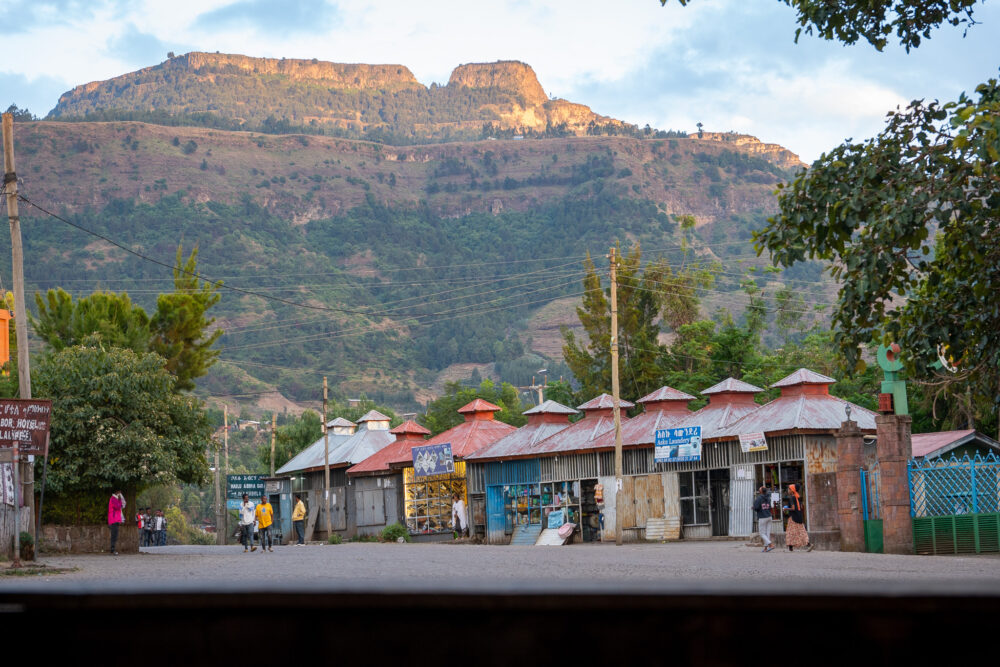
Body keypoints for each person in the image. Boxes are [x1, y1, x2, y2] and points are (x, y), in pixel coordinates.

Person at [783, 484, 813, 552]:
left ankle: (790, 547)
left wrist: (786, 509)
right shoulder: (797, 497)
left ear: (792, 490)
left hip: (793, 518)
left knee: (790, 532)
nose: (788, 490)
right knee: (801, 532)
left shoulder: (791, 498)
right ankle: (808, 544)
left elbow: (793, 508)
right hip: (799, 517)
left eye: (789, 489)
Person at [752, 486, 773, 552]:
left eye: (759, 489)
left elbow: (756, 507)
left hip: (762, 517)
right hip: (769, 516)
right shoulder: (768, 497)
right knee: (767, 533)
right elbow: (770, 507)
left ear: (760, 491)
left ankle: (770, 544)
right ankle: (765, 548)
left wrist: (753, 507)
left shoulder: (759, 498)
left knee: (762, 533)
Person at [108, 491, 125, 555]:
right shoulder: (113, 499)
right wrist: (120, 500)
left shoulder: (114, 499)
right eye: (119, 493)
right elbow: (118, 507)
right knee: (114, 535)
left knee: (115, 535)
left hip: (115, 519)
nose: (120, 494)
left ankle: (113, 549)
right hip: (113, 519)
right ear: (117, 492)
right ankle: (113, 549)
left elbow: (120, 506)